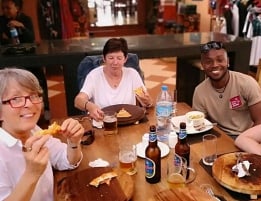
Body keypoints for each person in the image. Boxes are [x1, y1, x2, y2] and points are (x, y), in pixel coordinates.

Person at [0, 68, 84, 200]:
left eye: (34, 95)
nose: (29, 104)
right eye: (16, 99)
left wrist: (73, 142)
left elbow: (64, 159)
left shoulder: (34, 131)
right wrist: (32, 174)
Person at [192, 41, 261, 136]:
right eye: (208, 61)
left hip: (246, 136)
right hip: (219, 137)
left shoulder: (247, 83)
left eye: (220, 60)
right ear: (202, 65)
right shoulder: (200, 91)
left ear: (228, 62)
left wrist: (246, 141)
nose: (215, 65)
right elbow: (199, 125)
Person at [74, 37, 153, 121]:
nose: (115, 62)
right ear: (104, 58)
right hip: (103, 124)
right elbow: (78, 101)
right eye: (111, 58)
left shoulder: (132, 74)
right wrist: (90, 106)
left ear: (125, 59)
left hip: (129, 123)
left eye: (119, 58)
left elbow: (146, 101)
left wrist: (148, 102)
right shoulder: (94, 76)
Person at [0, 0, 51, 123]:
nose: (5, 11)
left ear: (16, 8)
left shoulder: (25, 19)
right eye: (3, 8)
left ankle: (46, 108)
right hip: (9, 58)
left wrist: (20, 26)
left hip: (28, 57)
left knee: (38, 77)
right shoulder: (1, 20)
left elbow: (31, 39)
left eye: (8, 8)